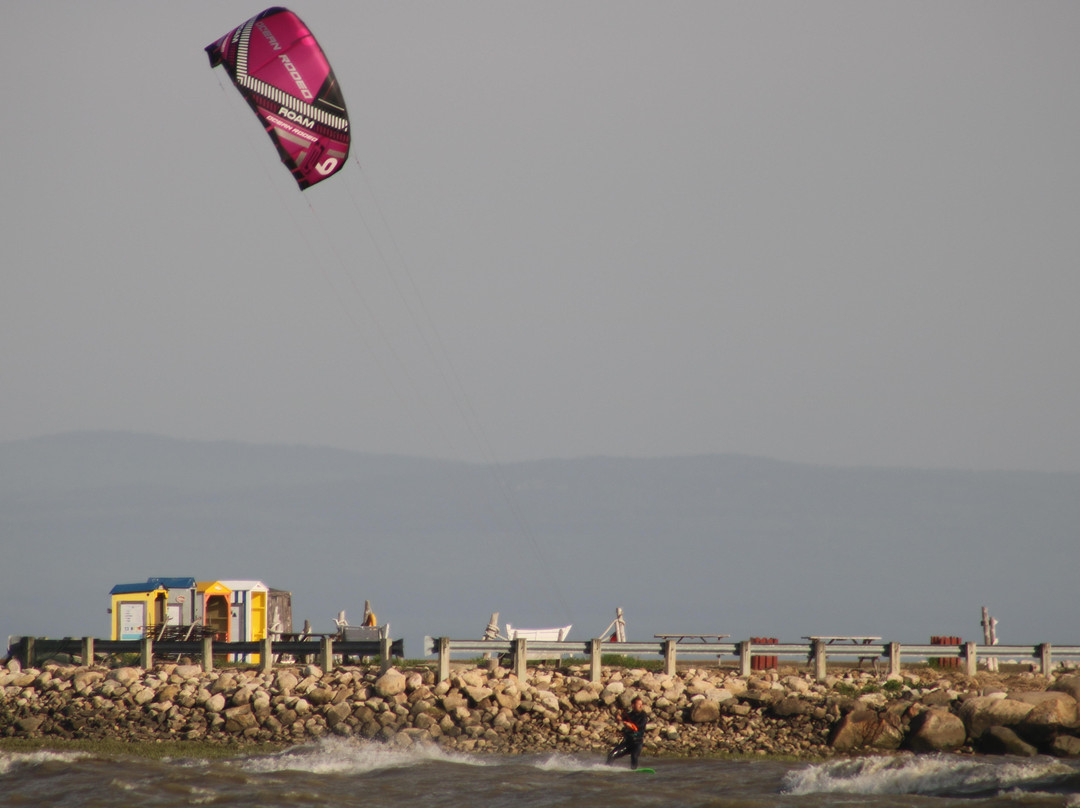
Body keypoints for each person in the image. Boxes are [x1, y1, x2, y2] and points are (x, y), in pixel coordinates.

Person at [607, 696, 647, 769]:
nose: (641, 706)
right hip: (627, 743)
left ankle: (634, 772)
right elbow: (621, 719)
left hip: (637, 743)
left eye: (641, 704)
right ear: (633, 705)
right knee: (611, 755)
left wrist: (630, 725)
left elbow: (639, 726)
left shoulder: (643, 715)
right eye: (639, 704)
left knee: (634, 756)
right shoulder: (629, 715)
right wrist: (618, 717)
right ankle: (606, 768)